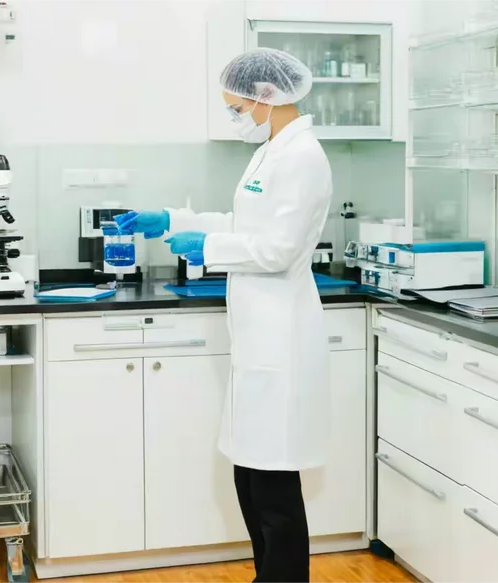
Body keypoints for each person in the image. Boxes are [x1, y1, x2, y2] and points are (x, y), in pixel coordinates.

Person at [116, 47, 332, 583]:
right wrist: (173, 220)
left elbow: (278, 248)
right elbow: (245, 223)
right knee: (249, 476)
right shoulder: (272, 151)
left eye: (236, 108)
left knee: (273, 485)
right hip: (258, 337)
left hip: (281, 336)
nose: (235, 118)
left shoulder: (303, 157)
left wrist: (207, 246)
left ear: (266, 96)